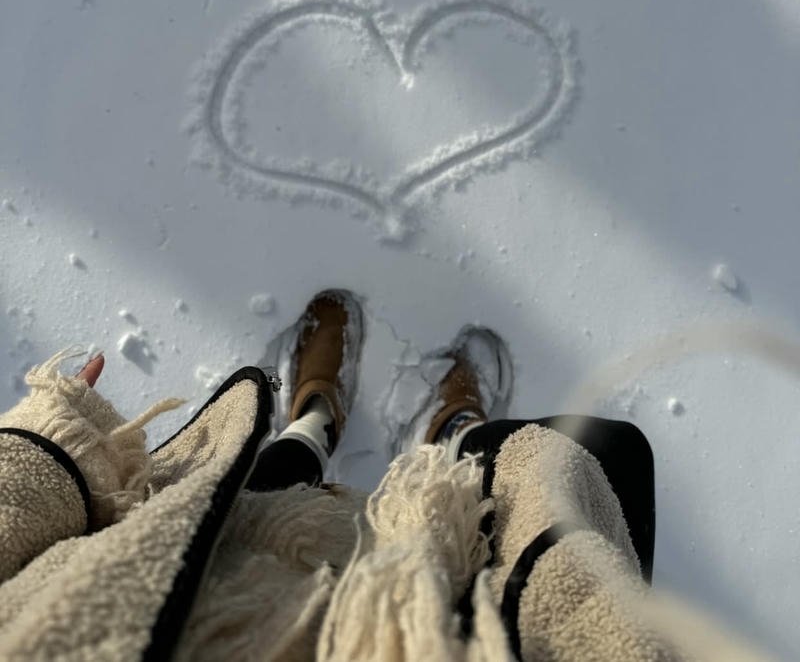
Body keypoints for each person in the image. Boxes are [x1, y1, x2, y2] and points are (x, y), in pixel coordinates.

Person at [0, 291, 762, 661]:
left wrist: (45, 449)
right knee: (479, 500)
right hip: (452, 619)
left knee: (270, 495)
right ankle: (453, 430)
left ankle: (316, 415)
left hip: (193, 573)